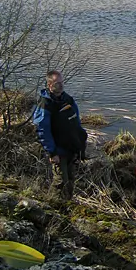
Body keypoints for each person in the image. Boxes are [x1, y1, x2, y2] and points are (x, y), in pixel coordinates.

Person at [33, 70, 87, 199]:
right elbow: (43, 130)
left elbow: (76, 123)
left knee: (71, 180)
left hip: (71, 148)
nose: (61, 86)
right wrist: (52, 152)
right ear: (49, 84)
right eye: (57, 83)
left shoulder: (68, 100)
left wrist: (80, 144)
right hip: (58, 150)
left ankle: (68, 204)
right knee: (60, 182)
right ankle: (54, 205)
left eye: (62, 82)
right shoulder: (45, 104)